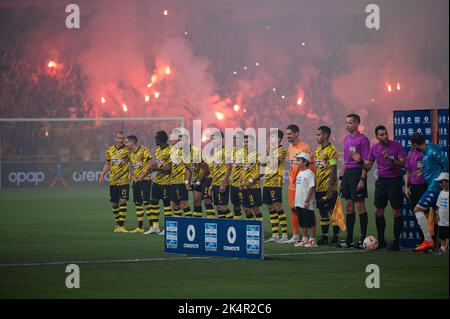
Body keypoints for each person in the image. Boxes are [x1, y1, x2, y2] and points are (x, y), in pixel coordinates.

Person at [361, 126, 406, 250]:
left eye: (385, 133)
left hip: (394, 181)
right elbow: (368, 166)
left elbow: (403, 163)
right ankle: (381, 241)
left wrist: (391, 159)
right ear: (377, 137)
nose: (384, 136)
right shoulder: (375, 148)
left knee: (396, 212)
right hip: (381, 182)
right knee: (378, 212)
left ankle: (396, 242)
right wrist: (360, 161)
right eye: (381, 134)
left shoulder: (396, 146)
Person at [410, 132, 449, 251]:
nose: (413, 148)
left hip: (435, 187)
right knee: (440, 217)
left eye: (413, 145)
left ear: (416, 144)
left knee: (418, 209)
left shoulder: (431, 152)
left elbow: (446, 163)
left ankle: (428, 240)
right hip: (432, 186)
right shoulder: (429, 149)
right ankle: (442, 246)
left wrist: (444, 182)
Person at [339, 114, 371, 249]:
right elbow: (345, 162)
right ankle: (349, 239)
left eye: (350, 123)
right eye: (346, 122)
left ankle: (363, 238)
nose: (347, 125)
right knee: (348, 206)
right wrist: (341, 179)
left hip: (358, 173)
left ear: (357, 124)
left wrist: (362, 179)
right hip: (347, 175)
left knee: (360, 207)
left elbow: (367, 163)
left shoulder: (363, 140)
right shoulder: (346, 139)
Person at [285, 124, 314, 244]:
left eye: (290, 134)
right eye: (286, 134)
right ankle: (296, 236)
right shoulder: (290, 148)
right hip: (292, 183)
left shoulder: (305, 147)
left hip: (302, 184)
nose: (287, 136)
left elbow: (310, 165)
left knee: (306, 210)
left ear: (296, 133)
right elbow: (292, 166)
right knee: (293, 209)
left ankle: (309, 238)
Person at [99, 131, 131, 233]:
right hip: (113, 181)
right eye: (119, 138)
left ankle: (121, 226)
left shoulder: (128, 150)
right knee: (114, 203)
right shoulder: (110, 150)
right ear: (115, 139)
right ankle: (118, 224)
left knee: (123, 201)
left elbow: (134, 162)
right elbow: (107, 164)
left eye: (122, 138)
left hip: (124, 180)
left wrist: (134, 175)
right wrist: (102, 175)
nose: (121, 140)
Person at [141, 131, 172, 235]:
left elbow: (170, 168)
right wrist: (153, 167)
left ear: (160, 139)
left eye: (156, 139)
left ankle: (167, 228)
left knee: (166, 205)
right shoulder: (157, 150)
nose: (155, 140)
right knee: (153, 203)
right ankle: (155, 227)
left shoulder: (170, 151)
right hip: (157, 181)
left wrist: (157, 168)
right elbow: (157, 164)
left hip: (166, 182)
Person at [314, 126, 340, 246]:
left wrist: (330, 188)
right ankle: (324, 237)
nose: (317, 137)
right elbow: (317, 169)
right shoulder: (317, 150)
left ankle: (336, 237)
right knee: (322, 212)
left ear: (325, 136)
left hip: (329, 188)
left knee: (332, 212)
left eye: (318, 134)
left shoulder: (332, 151)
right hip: (319, 188)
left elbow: (333, 170)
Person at [263, 130, 288, 243]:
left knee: (278, 207)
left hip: (275, 182)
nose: (269, 140)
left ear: (278, 139)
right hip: (267, 182)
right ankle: (275, 235)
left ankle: (284, 235)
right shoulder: (271, 151)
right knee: (270, 208)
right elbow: (262, 164)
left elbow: (273, 162)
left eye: (272, 137)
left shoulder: (281, 150)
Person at [126, 135, 152, 234]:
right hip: (136, 181)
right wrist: (132, 177)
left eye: (127, 142)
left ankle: (151, 226)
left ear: (132, 143)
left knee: (146, 202)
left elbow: (150, 164)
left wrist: (142, 176)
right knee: (138, 203)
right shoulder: (130, 153)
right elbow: (132, 167)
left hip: (145, 180)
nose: (125, 144)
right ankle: (140, 227)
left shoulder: (144, 150)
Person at [405, 147, 429, 244]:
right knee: (418, 215)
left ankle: (430, 241)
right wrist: (406, 187)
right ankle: (422, 241)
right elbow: (408, 172)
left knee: (426, 214)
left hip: (424, 187)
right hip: (413, 188)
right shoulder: (410, 154)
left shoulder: (426, 153)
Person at [293, 152, 317, 247]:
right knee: (302, 221)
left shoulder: (309, 173)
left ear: (304, 162)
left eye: (299, 160)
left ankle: (312, 240)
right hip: (299, 202)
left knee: (310, 221)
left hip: (306, 202)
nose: (297, 162)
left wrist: (307, 200)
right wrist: (295, 200)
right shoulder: (300, 173)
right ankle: (305, 239)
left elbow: (312, 187)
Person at [208, 132, 233, 218]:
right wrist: (211, 185)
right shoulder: (215, 152)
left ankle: (233, 225)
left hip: (222, 183)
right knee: (218, 207)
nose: (214, 141)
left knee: (223, 207)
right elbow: (215, 171)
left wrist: (223, 183)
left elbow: (229, 167)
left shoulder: (226, 151)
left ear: (221, 139)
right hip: (215, 183)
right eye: (213, 139)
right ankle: (222, 229)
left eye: (216, 139)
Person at [169, 129, 192, 218]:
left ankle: (190, 224)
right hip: (173, 181)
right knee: (174, 204)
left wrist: (186, 182)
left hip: (181, 182)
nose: (170, 139)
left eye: (172, 138)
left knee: (184, 204)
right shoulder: (172, 150)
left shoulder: (183, 151)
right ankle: (179, 225)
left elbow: (188, 169)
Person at [240, 135, 263, 221]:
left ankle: (260, 231)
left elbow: (262, 171)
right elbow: (243, 171)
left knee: (256, 209)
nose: (246, 144)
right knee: (246, 209)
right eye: (244, 142)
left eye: (248, 142)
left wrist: (251, 180)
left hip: (254, 187)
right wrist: (239, 182)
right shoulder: (244, 156)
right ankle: (250, 231)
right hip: (244, 186)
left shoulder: (258, 155)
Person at [229, 132, 245, 219]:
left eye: (237, 138)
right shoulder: (232, 151)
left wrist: (240, 181)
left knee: (245, 206)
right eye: (234, 138)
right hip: (233, 184)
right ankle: (238, 225)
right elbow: (230, 167)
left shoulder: (244, 152)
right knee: (235, 205)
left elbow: (245, 169)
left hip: (241, 184)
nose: (235, 140)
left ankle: (248, 227)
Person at [435, 172, 449, 254]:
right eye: (440, 182)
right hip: (441, 220)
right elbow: (438, 205)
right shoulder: (441, 192)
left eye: (442, 182)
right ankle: (443, 249)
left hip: (448, 219)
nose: (441, 184)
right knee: (442, 236)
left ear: (448, 181)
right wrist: (437, 215)